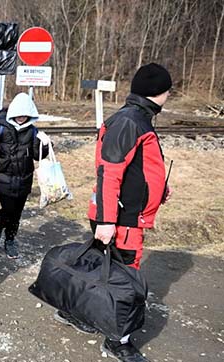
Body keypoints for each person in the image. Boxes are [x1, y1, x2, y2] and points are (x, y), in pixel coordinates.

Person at [53, 63, 173, 362]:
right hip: (121, 218)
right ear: (161, 92)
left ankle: (76, 313)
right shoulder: (131, 121)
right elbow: (109, 172)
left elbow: (137, 167)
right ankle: (118, 341)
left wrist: (158, 191)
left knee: (98, 267)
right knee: (125, 281)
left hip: (118, 212)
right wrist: (107, 221)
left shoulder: (134, 117)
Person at [0, 93, 50, 258]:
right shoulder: (1, 127)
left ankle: (10, 240)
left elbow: (37, 155)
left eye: (25, 114)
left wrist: (45, 146)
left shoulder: (32, 131)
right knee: (8, 209)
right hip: (4, 176)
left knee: (17, 212)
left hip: (24, 178)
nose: (22, 117)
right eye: (19, 114)